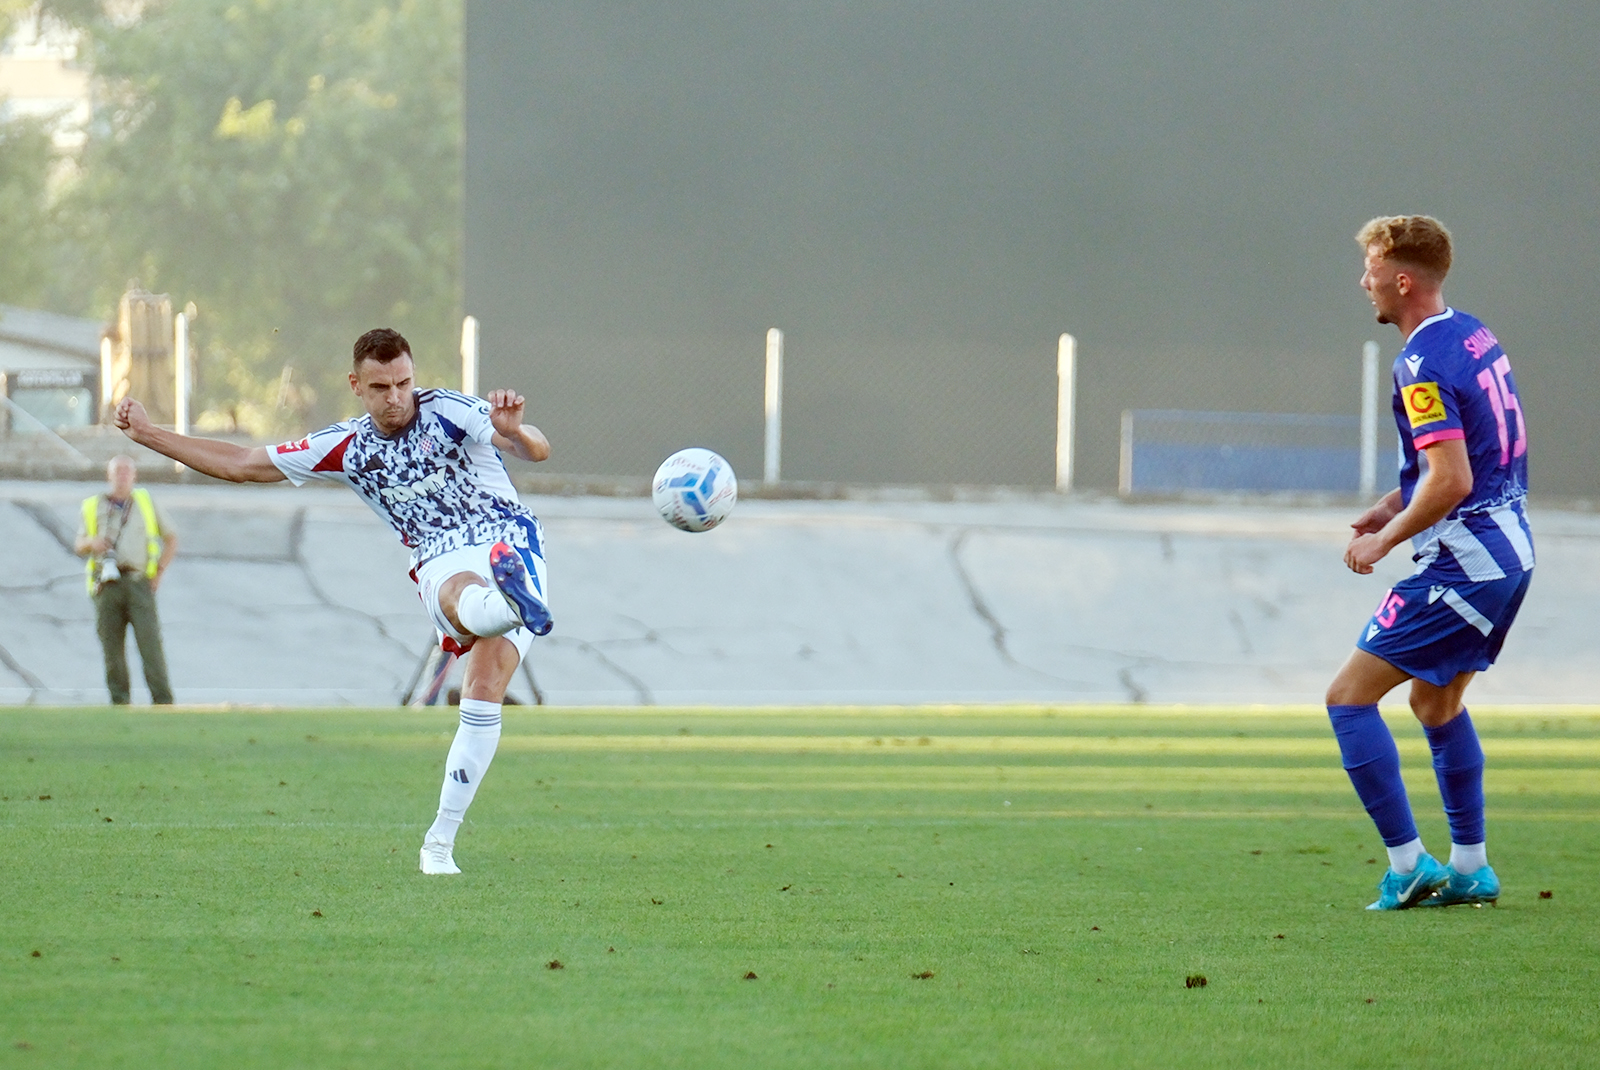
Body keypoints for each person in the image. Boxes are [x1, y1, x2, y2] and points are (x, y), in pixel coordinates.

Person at [114, 327, 554, 876]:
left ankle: (438, 845)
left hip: (508, 538)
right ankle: (508, 605)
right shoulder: (346, 445)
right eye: (381, 387)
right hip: (442, 556)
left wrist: (517, 431)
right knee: (462, 589)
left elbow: (532, 445)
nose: (396, 397)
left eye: (404, 382)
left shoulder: (450, 410)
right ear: (356, 385)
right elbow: (245, 463)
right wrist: (151, 435)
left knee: (483, 692)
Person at [1325, 216, 1532, 910]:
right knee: (1433, 700)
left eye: (1373, 268)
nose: (1365, 281)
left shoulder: (1419, 362)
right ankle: (1471, 867)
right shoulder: (1471, 332)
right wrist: (1393, 505)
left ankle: (1408, 864)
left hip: (1465, 561)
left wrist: (1381, 544)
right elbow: (1472, 453)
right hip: (1510, 552)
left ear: (1402, 277)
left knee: (1348, 699)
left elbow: (1452, 481)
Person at [73, 455, 178, 705]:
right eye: (117, 471)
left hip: (138, 581)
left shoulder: (145, 502)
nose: (121, 476)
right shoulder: (92, 505)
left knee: (150, 644)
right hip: (106, 584)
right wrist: (92, 543)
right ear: (109, 476)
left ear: (134, 476)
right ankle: (119, 701)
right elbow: (78, 544)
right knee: (111, 648)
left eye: (126, 471)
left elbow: (172, 538)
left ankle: (163, 701)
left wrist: (159, 572)